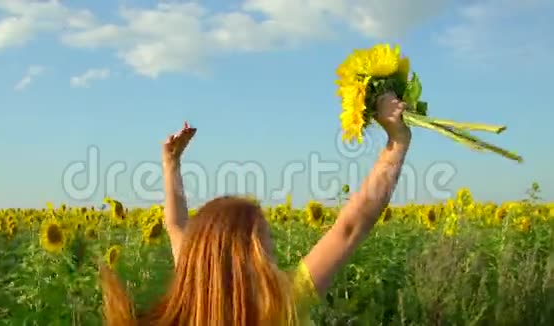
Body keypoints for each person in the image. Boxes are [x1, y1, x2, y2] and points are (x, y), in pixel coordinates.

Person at [99, 92, 412, 326]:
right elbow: (350, 227)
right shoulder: (280, 306)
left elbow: (177, 226)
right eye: (265, 241)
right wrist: (396, 142)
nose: (272, 251)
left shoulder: (196, 290)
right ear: (253, 256)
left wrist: (170, 164)